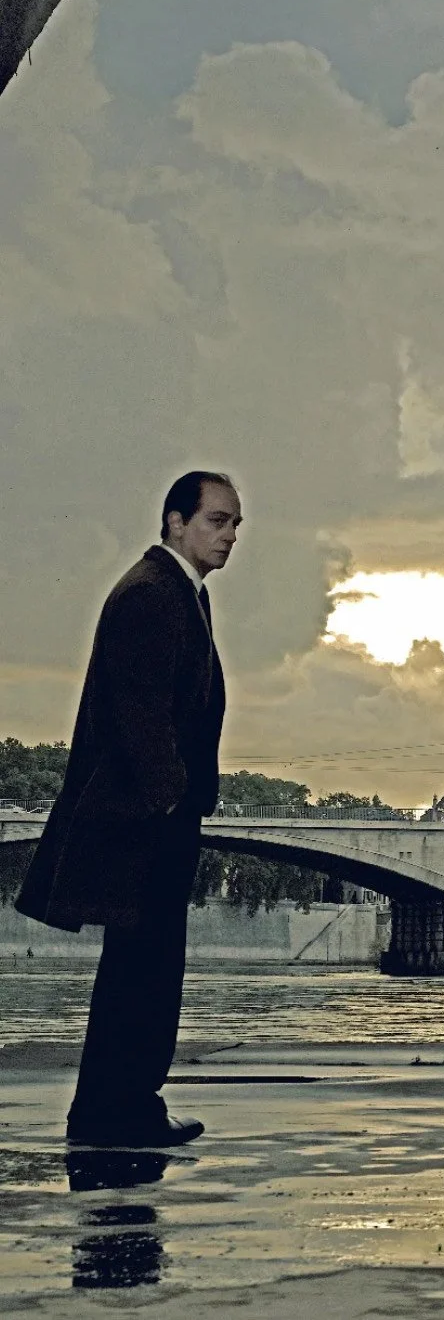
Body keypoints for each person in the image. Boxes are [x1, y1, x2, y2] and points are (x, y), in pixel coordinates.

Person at [16, 471, 242, 1147]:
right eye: (218, 520)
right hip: (147, 818)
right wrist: (170, 798)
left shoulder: (177, 591)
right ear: (175, 521)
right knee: (144, 970)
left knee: (139, 968)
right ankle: (121, 1110)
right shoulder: (153, 593)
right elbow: (140, 714)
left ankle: (113, 1107)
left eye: (236, 524)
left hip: (151, 812)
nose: (230, 535)